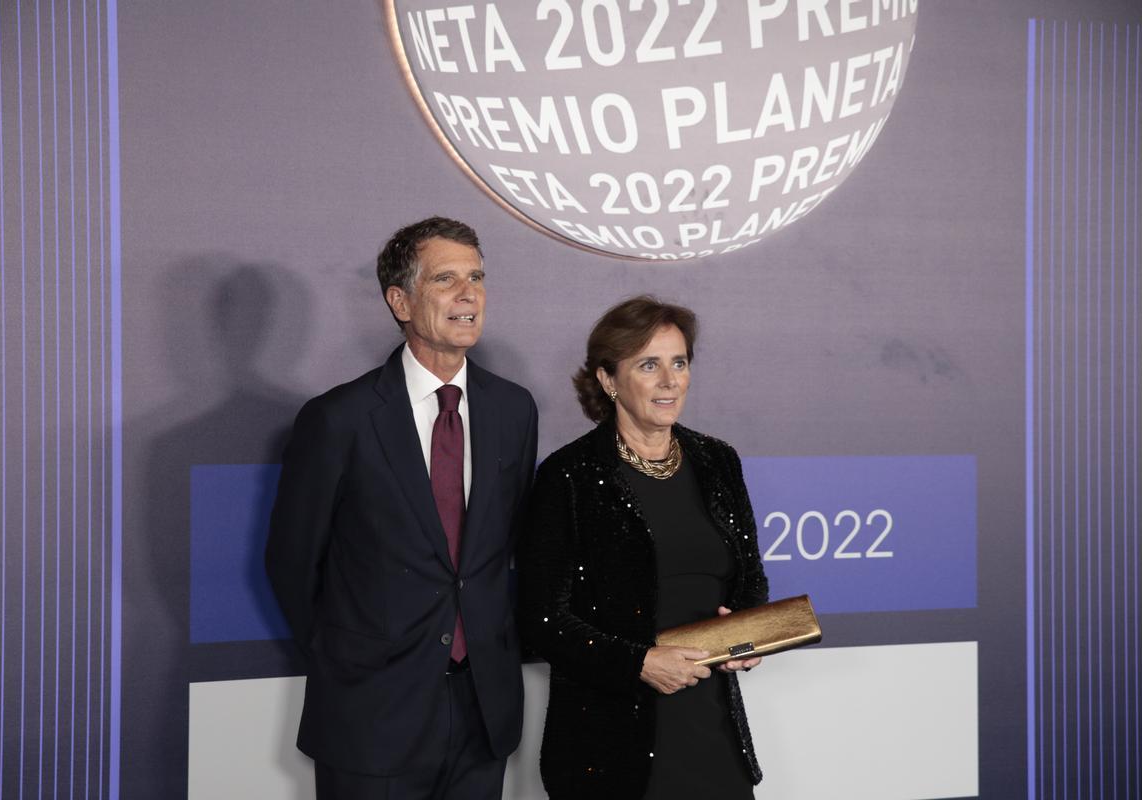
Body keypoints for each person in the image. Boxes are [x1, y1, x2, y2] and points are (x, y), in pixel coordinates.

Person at [265, 216, 538, 799]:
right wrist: (355, 660)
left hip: (482, 711)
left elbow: (505, 548)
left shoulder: (514, 410)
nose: (469, 294)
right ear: (401, 301)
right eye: (446, 279)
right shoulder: (339, 419)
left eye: (477, 277)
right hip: (371, 716)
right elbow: (292, 562)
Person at [516, 296, 769, 799]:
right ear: (608, 380)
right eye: (648, 365)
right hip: (609, 744)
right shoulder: (569, 476)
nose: (670, 380)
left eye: (679, 363)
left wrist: (748, 635)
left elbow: (750, 581)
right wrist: (639, 663)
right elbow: (541, 619)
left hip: (711, 728)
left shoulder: (718, 460)